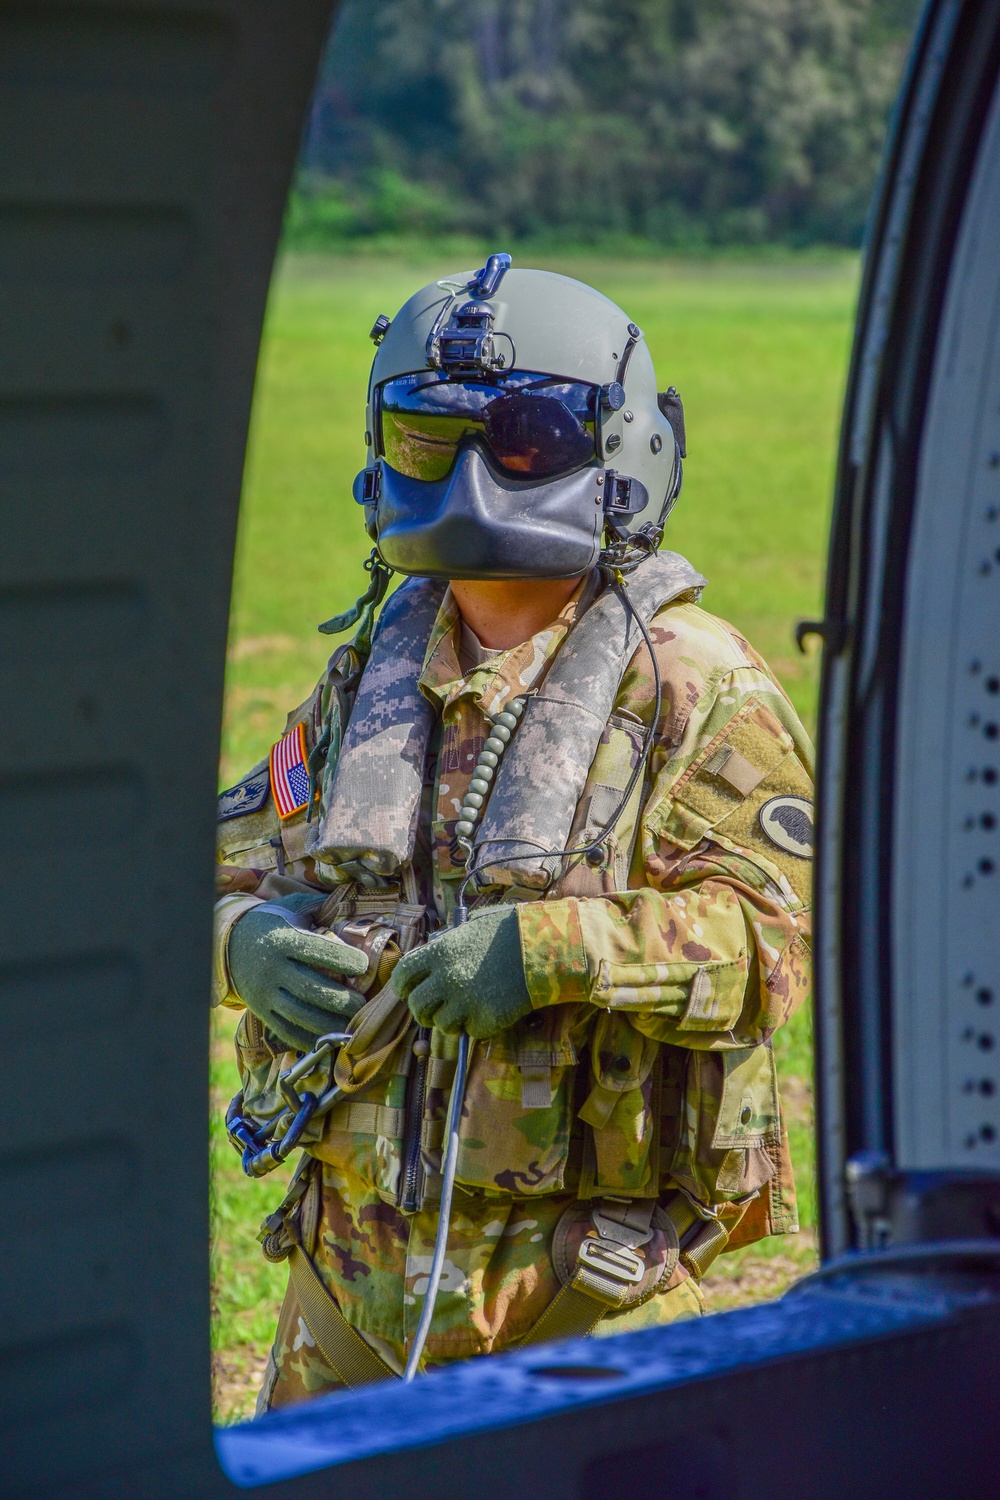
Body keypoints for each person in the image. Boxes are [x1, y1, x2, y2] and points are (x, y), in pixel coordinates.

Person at [214, 255, 814, 1412]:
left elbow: (774, 946)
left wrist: (549, 954)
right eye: (428, 440)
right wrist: (238, 940)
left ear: (617, 449)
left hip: (589, 1309)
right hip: (347, 1296)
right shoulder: (370, 682)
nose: (478, 477)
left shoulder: (694, 686)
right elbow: (210, 863)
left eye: (528, 437)